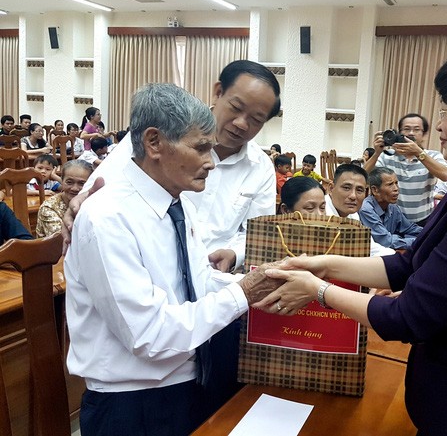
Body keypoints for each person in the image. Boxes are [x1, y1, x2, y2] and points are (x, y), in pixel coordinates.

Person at [258, 44, 447, 436]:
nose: (438, 126)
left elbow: (410, 318)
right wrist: (320, 263)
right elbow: (405, 264)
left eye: (446, 111)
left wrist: (317, 290)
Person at [65, 83, 283, 436]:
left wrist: (265, 285)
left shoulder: (178, 203)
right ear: (154, 143)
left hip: (187, 381)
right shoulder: (107, 217)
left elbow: (198, 281)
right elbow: (150, 336)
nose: (211, 163)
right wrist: (242, 293)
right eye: (201, 148)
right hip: (133, 404)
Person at [81, 60, 280, 274]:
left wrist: (234, 254)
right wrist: (79, 205)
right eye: (236, 108)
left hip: (213, 279)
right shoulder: (162, 135)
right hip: (146, 268)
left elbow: (258, 235)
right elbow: (93, 197)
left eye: (256, 119)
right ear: (218, 92)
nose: (242, 123)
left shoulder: (261, 169)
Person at [364, 113, 447, 225]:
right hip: (392, 219)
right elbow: (363, 176)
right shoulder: (387, 156)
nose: (411, 133)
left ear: (424, 135)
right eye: (406, 129)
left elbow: (446, 175)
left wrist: (419, 153)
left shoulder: (433, 156)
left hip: (424, 219)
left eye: (417, 129)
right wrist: (377, 153)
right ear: (399, 133)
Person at [324, 163, 394, 257]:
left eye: (359, 190)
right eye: (346, 188)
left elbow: (371, 248)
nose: (353, 196)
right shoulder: (319, 212)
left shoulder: (353, 215)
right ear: (331, 188)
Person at [359, 167, 422, 250]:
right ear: (375, 190)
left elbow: (410, 228)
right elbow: (385, 241)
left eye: (396, 183)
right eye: (390, 184)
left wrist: (430, 233)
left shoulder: (393, 207)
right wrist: (418, 241)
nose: (396, 189)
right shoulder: (366, 209)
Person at [36, 160, 93, 237]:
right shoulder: (49, 207)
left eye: (81, 183)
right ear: (62, 181)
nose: (74, 188)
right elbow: (64, 240)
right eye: (69, 182)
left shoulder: (93, 202)